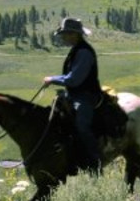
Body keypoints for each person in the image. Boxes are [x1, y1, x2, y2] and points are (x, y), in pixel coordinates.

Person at [43, 17, 102, 171]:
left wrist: (52, 79)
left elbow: (74, 79)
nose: (62, 37)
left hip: (85, 96)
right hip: (75, 94)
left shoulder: (83, 52)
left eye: (65, 34)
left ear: (74, 35)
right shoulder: (77, 49)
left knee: (82, 126)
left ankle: (95, 162)